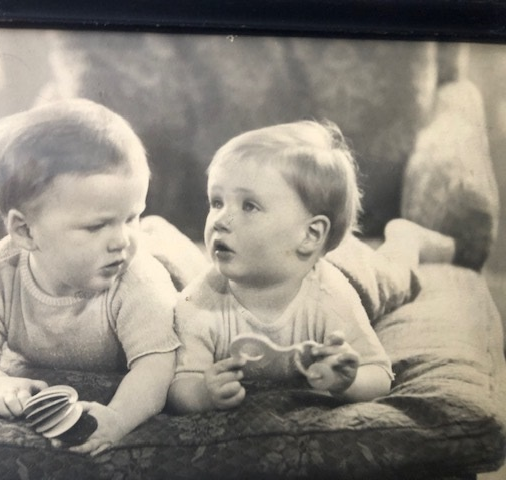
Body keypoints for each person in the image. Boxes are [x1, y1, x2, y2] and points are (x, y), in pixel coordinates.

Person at [167, 120, 456, 413]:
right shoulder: (199, 304)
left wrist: (348, 380)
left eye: (249, 206)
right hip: (310, 262)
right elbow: (181, 384)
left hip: (355, 272)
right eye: (216, 202)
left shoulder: (333, 297)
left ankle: (408, 237)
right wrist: (203, 393)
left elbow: (379, 373)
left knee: (394, 276)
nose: (219, 220)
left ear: (310, 235)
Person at [0, 99, 180, 455]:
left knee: (189, 276)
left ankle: (159, 232)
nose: (121, 241)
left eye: (130, 216)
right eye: (97, 226)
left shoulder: (137, 277)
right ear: (25, 232)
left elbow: (157, 364)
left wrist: (116, 418)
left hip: (169, 271)